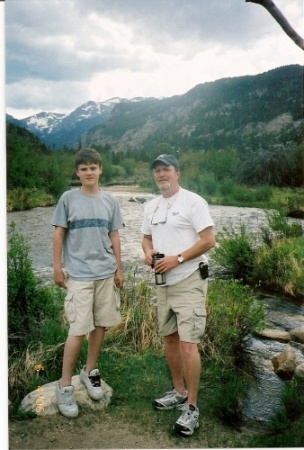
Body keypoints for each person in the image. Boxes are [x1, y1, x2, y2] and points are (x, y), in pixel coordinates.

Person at [141, 154, 215, 436]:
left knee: (187, 344)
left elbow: (209, 239)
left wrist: (179, 258)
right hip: (163, 283)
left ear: (177, 173)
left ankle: (192, 408)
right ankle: (178, 391)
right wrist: (148, 253)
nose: (161, 175)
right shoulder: (151, 206)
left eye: (166, 170)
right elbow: (146, 238)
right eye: (157, 171)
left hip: (189, 279)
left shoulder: (193, 202)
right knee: (169, 339)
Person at [52, 147, 124, 418]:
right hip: (79, 276)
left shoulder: (110, 202)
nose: (89, 172)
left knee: (101, 324)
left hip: (106, 273)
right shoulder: (68, 199)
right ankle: (64, 385)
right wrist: (57, 268)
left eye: (93, 168)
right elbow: (58, 236)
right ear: (78, 173)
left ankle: (89, 371)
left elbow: (114, 236)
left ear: (100, 170)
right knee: (77, 329)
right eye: (83, 169)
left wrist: (119, 268)